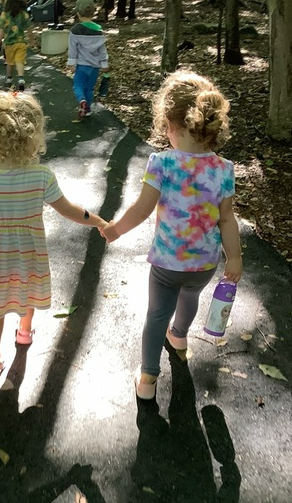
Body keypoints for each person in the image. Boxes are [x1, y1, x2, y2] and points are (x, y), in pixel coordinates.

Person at [102, 70, 243, 400]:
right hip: (205, 264)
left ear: (173, 125)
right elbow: (226, 219)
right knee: (190, 296)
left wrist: (115, 230)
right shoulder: (223, 168)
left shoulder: (162, 163)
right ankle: (179, 336)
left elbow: (142, 208)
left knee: (155, 316)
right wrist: (234, 256)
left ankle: (148, 380)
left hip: (167, 263)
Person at [0, 92, 107, 379]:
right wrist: (97, 221)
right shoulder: (41, 176)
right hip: (29, 253)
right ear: (33, 136)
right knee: (27, 292)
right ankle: (24, 333)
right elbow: (68, 210)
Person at [67, 0, 109, 119]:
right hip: (94, 66)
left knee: (78, 85)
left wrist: (71, 63)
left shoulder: (75, 30)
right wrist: (104, 64)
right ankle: (88, 109)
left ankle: (81, 100)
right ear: (93, 13)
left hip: (82, 65)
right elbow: (102, 49)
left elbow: (72, 48)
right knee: (89, 88)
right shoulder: (99, 31)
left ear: (78, 13)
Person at [0, 0, 35, 91]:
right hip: (21, 42)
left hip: (9, 43)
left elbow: (1, 30)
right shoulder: (24, 14)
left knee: (9, 62)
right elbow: (29, 29)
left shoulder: (5, 14)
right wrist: (32, 40)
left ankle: (9, 79)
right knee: (20, 61)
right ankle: (21, 79)